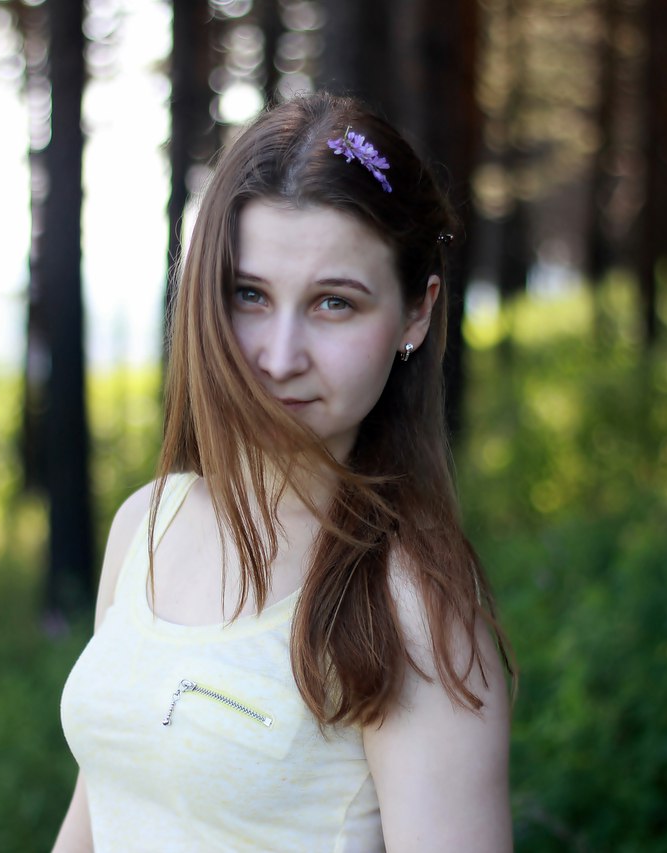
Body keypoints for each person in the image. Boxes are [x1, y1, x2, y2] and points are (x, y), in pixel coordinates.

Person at [53, 92, 513, 853]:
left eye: (334, 303)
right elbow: (98, 810)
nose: (278, 356)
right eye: (250, 295)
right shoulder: (148, 522)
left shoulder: (411, 605)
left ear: (416, 313)